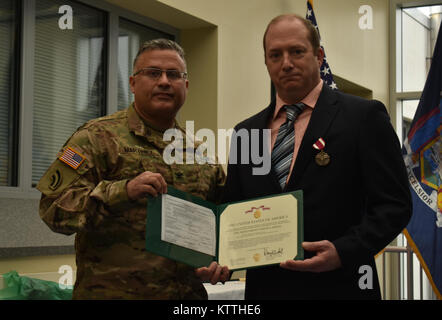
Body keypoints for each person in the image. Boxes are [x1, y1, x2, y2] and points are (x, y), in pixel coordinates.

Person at [222, 14, 412, 299]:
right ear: (266, 62)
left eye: (296, 51)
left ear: (318, 55)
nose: (286, 63)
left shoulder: (363, 118)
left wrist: (342, 251)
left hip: (342, 286)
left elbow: (394, 205)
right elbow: (233, 208)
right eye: (275, 55)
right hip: (267, 291)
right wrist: (220, 257)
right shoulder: (245, 132)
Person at [37, 39, 229, 300]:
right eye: (152, 73)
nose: (164, 81)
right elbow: (53, 209)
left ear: (186, 85)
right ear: (132, 83)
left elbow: (223, 222)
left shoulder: (201, 153)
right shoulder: (95, 137)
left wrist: (220, 262)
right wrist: (122, 192)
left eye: (173, 74)